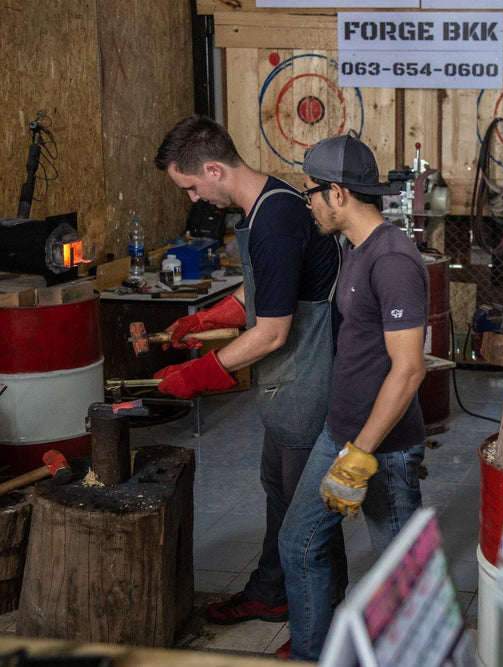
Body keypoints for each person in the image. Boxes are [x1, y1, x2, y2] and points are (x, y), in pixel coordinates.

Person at [152, 115, 349, 635]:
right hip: (286, 385)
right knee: (280, 492)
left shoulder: (274, 222)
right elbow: (265, 289)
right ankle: (271, 594)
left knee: (309, 519)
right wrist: (208, 317)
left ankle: (321, 628)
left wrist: (196, 375)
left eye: (191, 186)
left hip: (307, 379)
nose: (193, 199)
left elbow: (272, 332)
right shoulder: (273, 200)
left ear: (214, 169)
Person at [277, 134, 429, 661]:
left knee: (401, 584)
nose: (308, 204)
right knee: (298, 544)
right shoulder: (352, 249)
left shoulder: (392, 260)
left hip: (381, 448)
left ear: (337, 194)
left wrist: (361, 452)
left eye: (311, 194)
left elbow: (409, 371)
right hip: (341, 433)